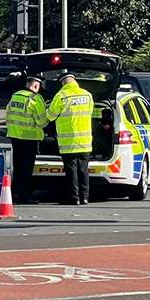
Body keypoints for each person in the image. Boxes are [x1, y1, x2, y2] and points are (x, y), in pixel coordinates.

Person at [48, 73, 94, 206]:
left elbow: (50, 116)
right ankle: (85, 197)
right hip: (85, 141)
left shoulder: (61, 96)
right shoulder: (87, 95)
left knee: (71, 171)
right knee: (83, 170)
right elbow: (89, 112)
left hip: (68, 142)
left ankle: (74, 198)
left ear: (63, 83)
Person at [4, 75, 48, 205]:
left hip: (15, 136)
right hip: (30, 138)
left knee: (18, 167)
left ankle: (14, 193)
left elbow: (8, 113)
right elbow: (42, 121)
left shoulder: (16, 95)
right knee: (27, 169)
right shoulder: (35, 98)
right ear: (35, 85)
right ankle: (25, 196)